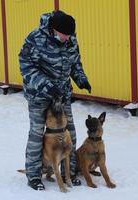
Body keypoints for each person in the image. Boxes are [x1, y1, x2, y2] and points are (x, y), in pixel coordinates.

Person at [19, 10, 91, 191]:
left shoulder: (70, 39)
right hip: (39, 95)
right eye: (64, 35)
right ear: (53, 30)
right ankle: (34, 176)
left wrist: (81, 78)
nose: (67, 39)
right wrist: (47, 86)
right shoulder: (35, 38)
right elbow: (26, 66)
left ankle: (70, 172)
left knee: (70, 133)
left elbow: (75, 62)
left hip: (62, 94)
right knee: (37, 134)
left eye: (70, 35)